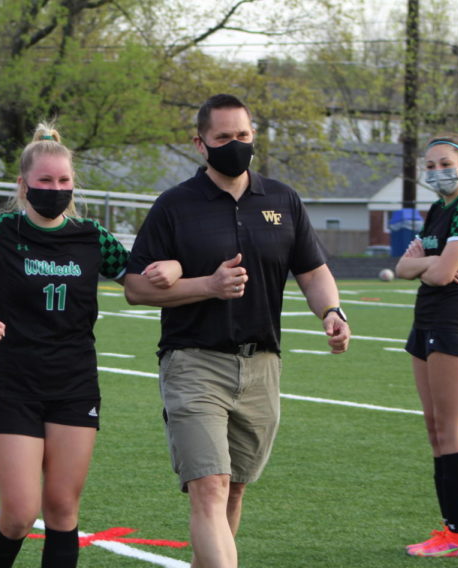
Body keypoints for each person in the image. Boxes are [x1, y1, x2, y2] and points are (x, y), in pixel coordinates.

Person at [0, 123, 175, 568]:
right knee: (20, 513)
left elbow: (141, 285)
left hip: (74, 384)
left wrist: (182, 272)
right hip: (14, 383)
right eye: (44, 181)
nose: (55, 189)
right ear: (23, 185)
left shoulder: (93, 236)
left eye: (63, 181)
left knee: (62, 509)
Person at [123, 94, 351, 568]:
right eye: (223, 137)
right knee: (210, 487)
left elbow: (312, 270)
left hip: (263, 364)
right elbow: (135, 290)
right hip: (194, 361)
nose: (235, 145)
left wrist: (332, 311)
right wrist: (208, 285)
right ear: (200, 143)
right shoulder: (174, 206)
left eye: (243, 136)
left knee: (233, 491)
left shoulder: (283, 199)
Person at [395, 134, 458, 558]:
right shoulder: (437, 208)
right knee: (434, 429)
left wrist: (427, 265)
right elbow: (404, 267)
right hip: (425, 320)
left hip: (452, 322)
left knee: (450, 431)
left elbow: (437, 274)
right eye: (430, 165)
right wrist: (431, 264)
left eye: (445, 163)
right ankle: (449, 532)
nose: (437, 171)